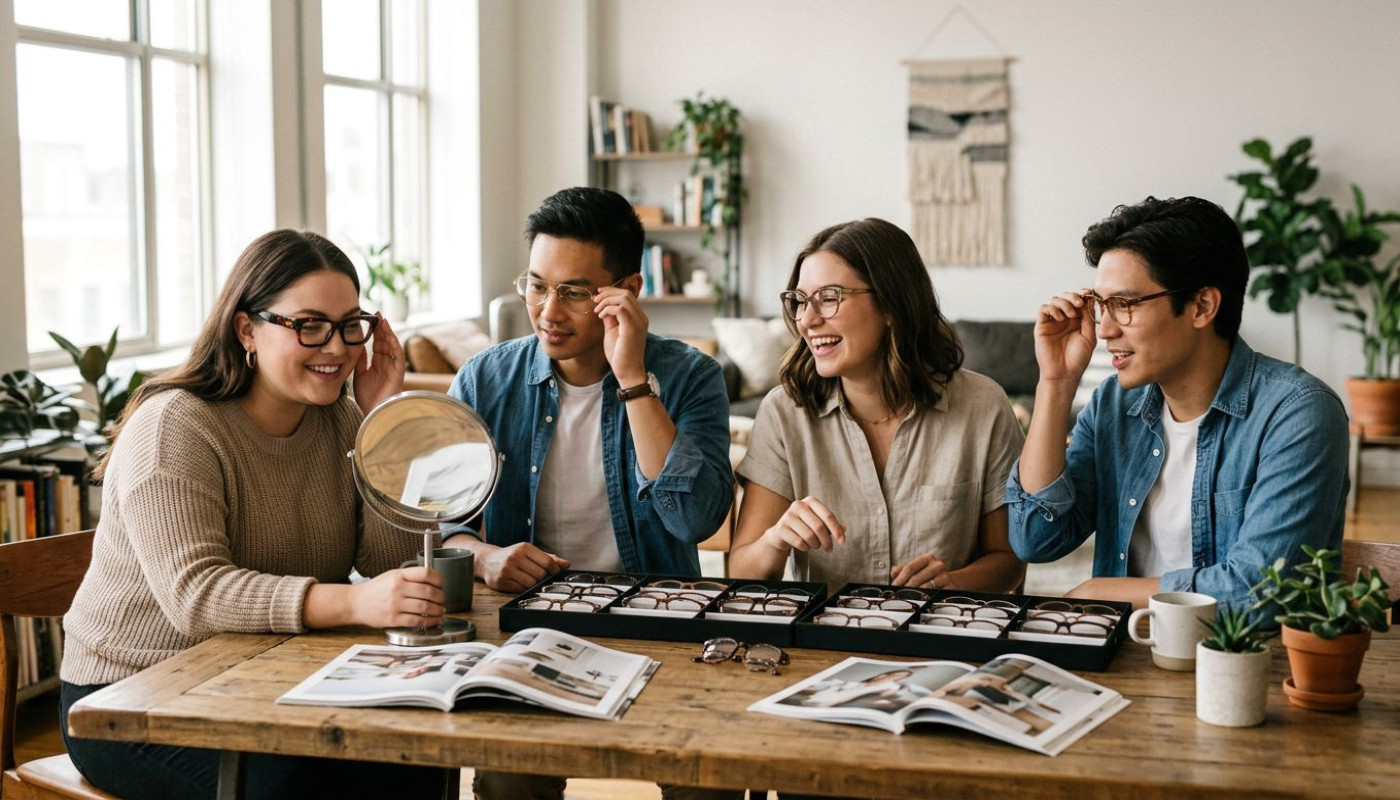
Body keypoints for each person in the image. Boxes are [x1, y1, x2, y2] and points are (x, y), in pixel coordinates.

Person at [59, 230, 448, 798]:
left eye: (348, 325)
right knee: (288, 787)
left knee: (411, 757)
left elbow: (393, 557)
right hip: (132, 693)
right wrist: (354, 601)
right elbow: (196, 595)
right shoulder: (175, 427)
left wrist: (382, 420)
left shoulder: (341, 420)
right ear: (247, 329)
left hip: (266, 674)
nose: (337, 348)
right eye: (309, 325)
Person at [445, 187, 735, 800]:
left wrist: (632, 379)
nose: (549, 310)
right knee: (507, 785)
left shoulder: (689, 377)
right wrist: (489, 557)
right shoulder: (484, 380)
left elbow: (695, 521)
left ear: (626, 289)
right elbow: (442, 523)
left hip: (658, 619)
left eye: (574, 292)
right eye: (536, 285)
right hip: (530, 624)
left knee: (708, 786)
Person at [1005, 196, 1349, 611]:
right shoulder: (1114, 404)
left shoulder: (1299, 413)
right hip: (1126, 653)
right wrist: (1056, 383)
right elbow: (1035, 539)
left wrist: (1101, 593)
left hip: (1241, 664)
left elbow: (1258, 590)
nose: (1106, 329)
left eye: (1126, 304)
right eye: (1102, 305)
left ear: (1202, 306)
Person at [728, 218, 1026, 594]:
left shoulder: (984, 407)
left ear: (891, 305)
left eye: (829, 298)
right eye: (800, 301)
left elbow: (1009, 562)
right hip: (824, 644)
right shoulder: (784, 412)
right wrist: (776, 540)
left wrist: (952, 582)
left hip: (939, 637)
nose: (807, 319)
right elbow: (740, 571)